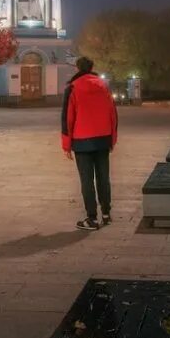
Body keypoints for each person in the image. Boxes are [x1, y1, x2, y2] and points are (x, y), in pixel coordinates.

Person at [61, 56, 118, 230]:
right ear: (92, 67)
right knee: (103, 177)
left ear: (77, 68)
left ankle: (91, 218)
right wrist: (112, 139)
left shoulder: (73, 87)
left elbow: (67, 118)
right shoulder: (103, 86)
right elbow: (113, 114)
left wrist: (66, 144)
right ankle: (106, 214)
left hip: (82, 141)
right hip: (103, 139)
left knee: (87, 180)